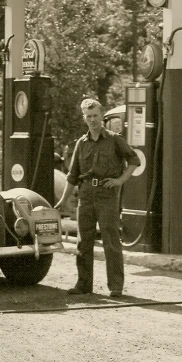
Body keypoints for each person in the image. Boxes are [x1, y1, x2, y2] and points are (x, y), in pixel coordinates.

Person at [65, 98, 146, 297]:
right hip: (85, 196)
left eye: (95, 116)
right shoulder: (81, 144)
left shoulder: (114, 139)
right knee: (83, 242)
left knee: (111, 240)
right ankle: (84, 285)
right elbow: (73, 175)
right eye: (88, 116)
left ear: (102, 116)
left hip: (107, 195)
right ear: (84, 118)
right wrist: (63, 200)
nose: (92, 120)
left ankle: (116, 286)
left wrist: (120, 181)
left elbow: (134, 160)